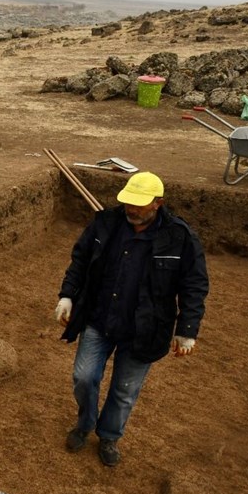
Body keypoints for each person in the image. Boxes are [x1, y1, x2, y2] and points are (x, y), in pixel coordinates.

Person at [55, 172, 209, 467]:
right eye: (128, 202)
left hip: (145, 329)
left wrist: (187, 330)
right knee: (84, 376)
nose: (132, 209)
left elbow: (194, 284)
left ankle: (110, 435)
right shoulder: (106, 223)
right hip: (99, 319)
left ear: (158, 203)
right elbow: (81, 260)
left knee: (125, 390)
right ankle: (84, 425)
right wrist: (67, 296)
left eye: (139, 204)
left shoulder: (180, 237)